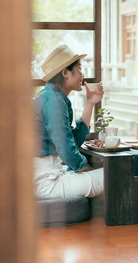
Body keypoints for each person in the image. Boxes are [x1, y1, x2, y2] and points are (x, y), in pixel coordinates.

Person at [34, 44, 104, 199]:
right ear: (66, 73)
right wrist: (89, 169)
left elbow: (74, 140)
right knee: (111, 176)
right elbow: (67, 151)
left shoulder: (53, 97)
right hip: (45, 182)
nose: (83, 74)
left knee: (103, 174)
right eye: (79, 68)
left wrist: (90, 103)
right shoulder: (53, 101)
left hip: (48, 175)